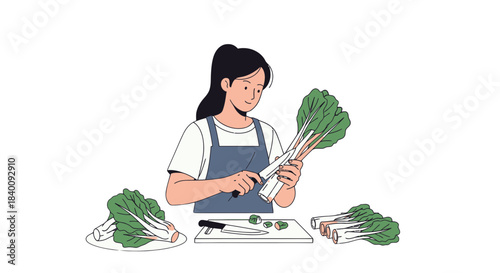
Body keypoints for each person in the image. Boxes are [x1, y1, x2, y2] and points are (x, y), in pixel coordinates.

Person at [166, 44, 303, 213]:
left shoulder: (267, 133)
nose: (252, 96)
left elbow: (284, 201)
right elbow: (174, 194)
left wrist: (288, 184)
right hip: (211, 229)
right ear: (226, 84)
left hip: (260, 230)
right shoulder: (200, 131)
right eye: (246, 86)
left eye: (258, 89)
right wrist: (224, 183)